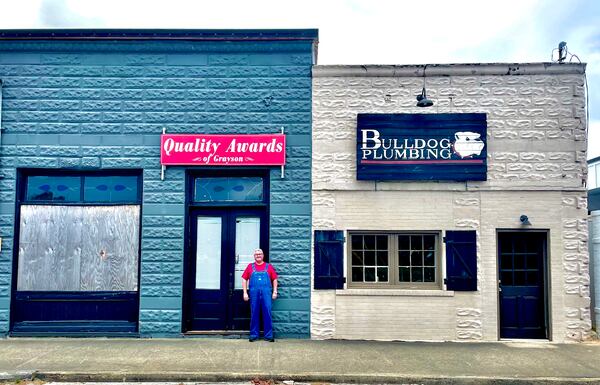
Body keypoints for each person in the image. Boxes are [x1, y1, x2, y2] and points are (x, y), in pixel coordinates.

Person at [242, 248, 278, 342]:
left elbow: (274, 279)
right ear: (254, 256)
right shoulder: (250, 266)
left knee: (267, 313)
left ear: (263, 255)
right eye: (256, 254)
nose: (258, 255)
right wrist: (245, 292)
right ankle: (254, 335)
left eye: (260, 254)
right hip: (254, 294)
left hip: (266, 294)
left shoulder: (268, 266)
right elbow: (244, 279)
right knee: (254, 313)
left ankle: (269, 336)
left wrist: (275, 291)